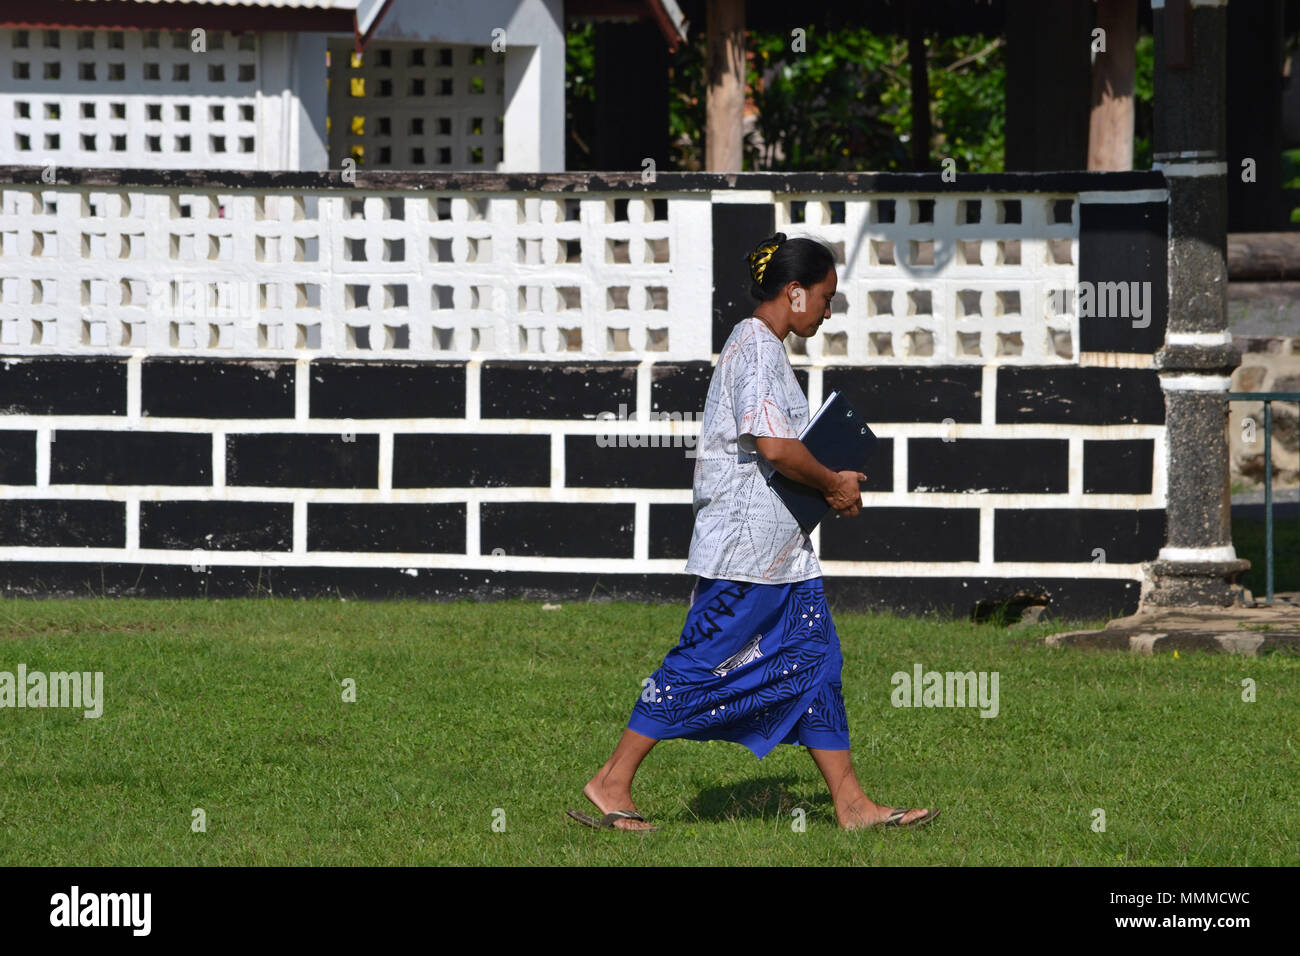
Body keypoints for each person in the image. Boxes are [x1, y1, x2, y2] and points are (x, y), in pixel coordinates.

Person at [567, 233, 940, 833]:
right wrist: (834, 485)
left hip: (782, 553)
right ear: (794, 293)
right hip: (745, 555)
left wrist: (827, 482)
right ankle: (611, 781)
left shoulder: (762, 347)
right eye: (824, 297)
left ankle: (852, 808)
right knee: (700, 664)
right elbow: (775, 448)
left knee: (816, 660)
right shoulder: (757, 349)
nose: (826, 309)